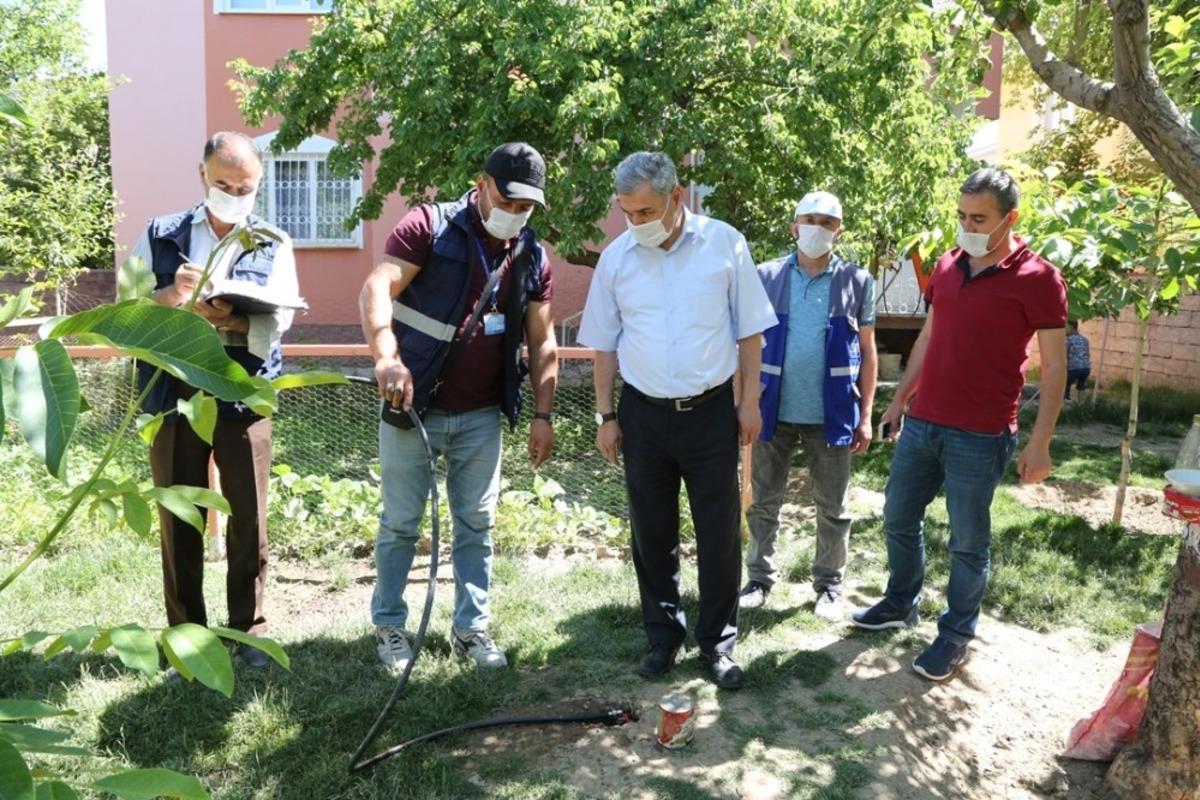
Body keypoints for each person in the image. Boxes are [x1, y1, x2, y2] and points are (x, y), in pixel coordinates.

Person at [850, 168, 1068, 682]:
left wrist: (1041, 443)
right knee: (898, 517)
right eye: (961, 216)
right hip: (924, 423)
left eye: (979, 218)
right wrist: (899, 400)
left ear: (1009, 219)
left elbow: (1054, 367)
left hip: (982, 431)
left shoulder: (1039, 278)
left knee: (967, 542)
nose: (967, 226)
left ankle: (955, 634)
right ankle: (901, 600)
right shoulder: (948, 265)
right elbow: (930, 336)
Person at [578, 151, 777, 690]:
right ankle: (663, 637)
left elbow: (750, 332)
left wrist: (750, 402)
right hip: (643, 415)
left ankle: (718, 643)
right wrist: (606, 415)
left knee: (719, 533)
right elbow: (603, 344)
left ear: (677, 197)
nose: (636, 223)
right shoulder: (618, 259)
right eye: (627, 212)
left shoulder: (724, 244)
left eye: (646, 211)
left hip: (711, 412)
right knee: (651, 532)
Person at [360, 142, 558, 673]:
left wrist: (543, 414)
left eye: (526, 206)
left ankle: (472, 630)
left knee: (477, 523)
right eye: (508, 200)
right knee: (402, 523)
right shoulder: (428, 226)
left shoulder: (532, 255)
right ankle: (390, 626)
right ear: (482, 183)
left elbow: (542, 341)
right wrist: (386, 356)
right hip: (413, 406)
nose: (514, 213)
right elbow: (377, 286)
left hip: (480, 415)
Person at [128, 131, 299, 669]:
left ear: (259, 184)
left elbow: (284, 318)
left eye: (244, 186)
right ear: (201, 174)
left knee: (248, 515)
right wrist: (170, 297)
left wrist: (237, 316)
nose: (233, 192)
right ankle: (186, 634)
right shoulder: (160, 234)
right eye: (223, 183)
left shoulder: (272, 239)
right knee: (179, 513)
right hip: (170, 387)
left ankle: (248, 630)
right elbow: (124, 307)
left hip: (241, 386)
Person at [741, 191, 877, 620]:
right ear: (793, 226)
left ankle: (829, 586)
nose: (817, 228)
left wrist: (867, 415)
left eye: (827, 221)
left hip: (831, 415)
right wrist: (742, 402)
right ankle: (759, 579)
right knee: (763, 501)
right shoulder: (765, 276)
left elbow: (869, 352)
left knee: (833, 507)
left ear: (839, 230)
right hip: (771, 410)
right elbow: (743, 345)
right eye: (809, 219)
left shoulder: (857, 280)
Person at [1065, 321, 1091, 400]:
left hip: (1074, 367)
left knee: (1065, 384)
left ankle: (1066, 401)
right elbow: (1087, 353)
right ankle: (1080, 406)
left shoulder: (1068, 340)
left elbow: (1064, 354)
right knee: (1081, 385)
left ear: (1071, 327)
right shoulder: (1085, 339)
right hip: (1086, 367)